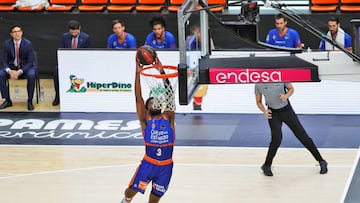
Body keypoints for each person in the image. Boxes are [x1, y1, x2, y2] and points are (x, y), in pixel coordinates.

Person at [121, 54, 176, 203]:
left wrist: (161, 70)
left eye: (156, 100)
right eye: (150, 101)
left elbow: (170, 96)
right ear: (147, 108)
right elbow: (138, 97)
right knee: (131, 191)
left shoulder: (169, 118)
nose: (154, 102)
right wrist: (137, 73)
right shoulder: (146, 120)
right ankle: (126, 200)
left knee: (155, 199)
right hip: (148, 164)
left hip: (166, 166)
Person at [255, 82, 328, 176]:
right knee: (276, 140)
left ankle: (321, 161)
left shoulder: (279, 76)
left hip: (286, 111)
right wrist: (264, 111)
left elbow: (291, 89)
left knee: (302, 136)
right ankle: (266, 165)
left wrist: (286, 96)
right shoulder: (258, 84)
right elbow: (258, 101)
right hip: (273, 113)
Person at [52, 20, 91, 106]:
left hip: (81, 63)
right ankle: (58, 95)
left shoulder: (86, 38)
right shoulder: (64, 37)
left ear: (79, 29)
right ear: (69, 30)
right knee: (56, 70)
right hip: (67, 62)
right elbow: (61, 51)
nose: (74, 33)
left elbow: (88, 53)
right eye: (72, 31)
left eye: (76, 31)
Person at [0, 24, 36, 111]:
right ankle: (7, 100)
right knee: (0, 74)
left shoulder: (28, 44)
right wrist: (9, 71)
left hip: (24, 68)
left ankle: (30, 100)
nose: (17, 34)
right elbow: (4, 61)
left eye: (19, 31)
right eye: (14, 32)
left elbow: (30, 62)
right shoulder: (7, 44)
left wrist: (19, 72)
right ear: (11, 34)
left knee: (31, 75)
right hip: (12, 68)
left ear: (22, 33)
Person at [186, 24, 214, 110]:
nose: (198, 35)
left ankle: (197, 102)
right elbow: (187, 55)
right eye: (196, 33)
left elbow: (212, 52)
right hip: (193, 66)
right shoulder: (189, 41)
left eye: (199, 33)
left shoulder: (207, 40)